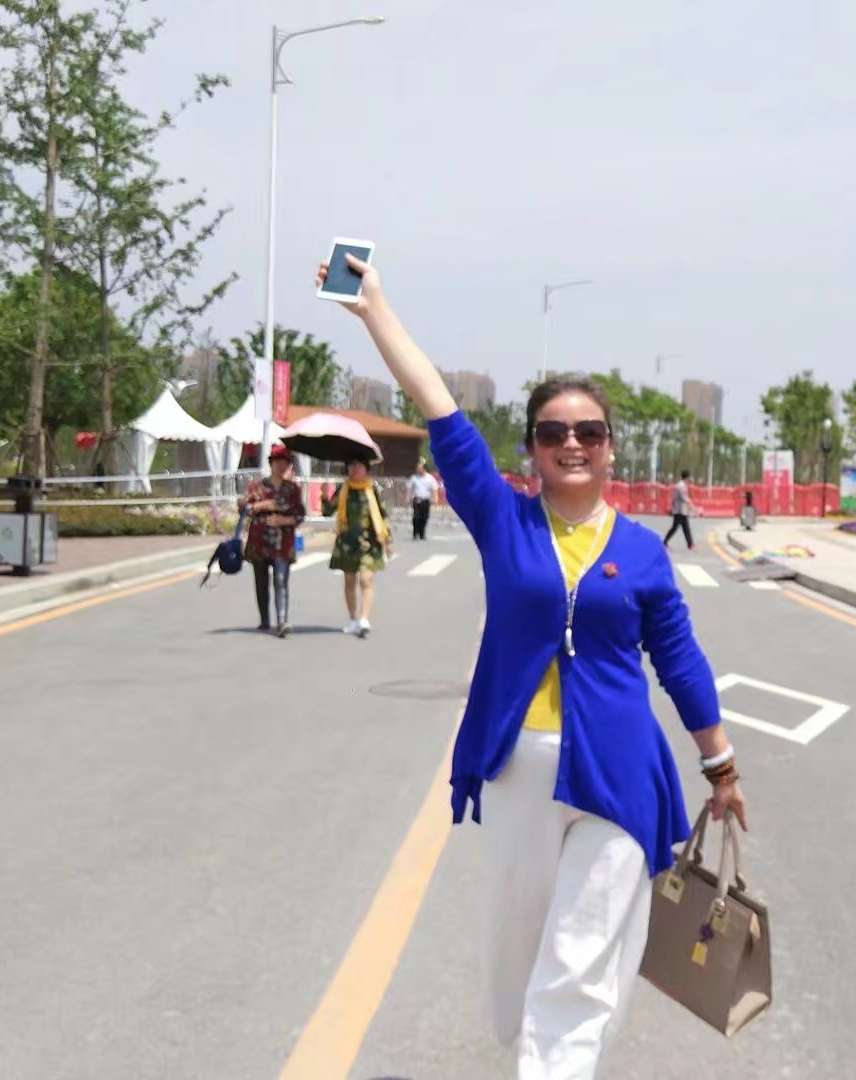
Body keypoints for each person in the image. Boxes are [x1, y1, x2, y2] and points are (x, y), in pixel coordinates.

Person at [317, 253, 747, 1078]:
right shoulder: (503, 520)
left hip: (619, 772)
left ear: (611, 449)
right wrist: (373, 309)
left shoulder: (642, 553)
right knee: (519, 957)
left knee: (578, 961)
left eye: (589, 432)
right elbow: (440, 408)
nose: (572, 443)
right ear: (533, 450)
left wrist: (719, 765)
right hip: (521, 769)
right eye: (554, 433)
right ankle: (537, 1053)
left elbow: (679, 659)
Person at [322, 457, 392, 638]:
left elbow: (383, 515)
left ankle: (364, 618)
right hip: (347, 543)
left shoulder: (373, 489)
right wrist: (324, 495)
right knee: (349, 581)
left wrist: (387, 541)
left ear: (366, 469)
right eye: (351, 465)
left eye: (358, 466)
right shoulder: (343, 489)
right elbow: (327, 511)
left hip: (369, 543)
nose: (354, 469)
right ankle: (353, 619)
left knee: (366, 580)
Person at [241, 443, 305, 637]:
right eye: (277, 462)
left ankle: (282, 621)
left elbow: (300, 515)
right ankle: (264, 620)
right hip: (259, 540)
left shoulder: (293, 489)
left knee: (281, 580)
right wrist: (262, 505)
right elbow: (244, 509)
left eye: (285, 462)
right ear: (271, 464)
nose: (281, 466)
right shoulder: (257, 487)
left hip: (282, 542)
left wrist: (283, 520)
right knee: (261, 581)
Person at [663, 468, 696, 550]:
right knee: (678, 528)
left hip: (680, 510)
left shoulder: (680, 485)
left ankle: (690, 544)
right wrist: (693, 508)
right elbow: (685, 498)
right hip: (680, 511)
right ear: (687, 477)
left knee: (684, 527)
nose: (690, 479)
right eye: (690, 477)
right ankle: (665, 541)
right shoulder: (681, 486)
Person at [407, 458, 439, 540]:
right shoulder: (414, 478)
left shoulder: (430, 478)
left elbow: (434, 489)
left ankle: (422, 533)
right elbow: (409, 488)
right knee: (416, 517)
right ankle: (415, 533)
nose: (418, 470)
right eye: (417, 468)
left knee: (424, 517)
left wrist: (435, 498)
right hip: (417, 500)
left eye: (420, 468)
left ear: (424, 469)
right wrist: (408, 497)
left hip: (426, 500)